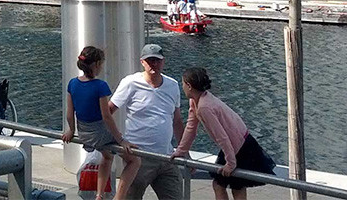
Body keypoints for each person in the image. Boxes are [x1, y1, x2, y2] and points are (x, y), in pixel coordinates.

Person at [172, 68, 276, 200]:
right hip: (236, 143)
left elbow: (222, 137)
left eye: (182, 84)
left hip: (240, 146)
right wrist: (181, 150)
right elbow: (191, 127)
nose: (182, 87)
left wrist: (230, 163)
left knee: (232, 186)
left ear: (189, 86)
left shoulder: (204, 107)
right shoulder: (197, 100)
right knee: (226, 185)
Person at [64, 46, 141, 200]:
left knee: (107, 157)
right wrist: (121, 140)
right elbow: (106, 117)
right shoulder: (100, 86)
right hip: (99, 134)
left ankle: (99, 195)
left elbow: (70, 113)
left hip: (84, 132)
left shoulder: (72, 83)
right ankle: (117, 196)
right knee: (135, 159)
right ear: (97, 64)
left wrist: (71, 131)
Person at [109, 44, 185, 200]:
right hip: (139, 157)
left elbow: (177, 121)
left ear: (163, 62)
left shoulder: (172, 85)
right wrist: (119, 140)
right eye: (150, 61)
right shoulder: (130, 82)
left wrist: (185, 151)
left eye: (157, 60)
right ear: (142, 62)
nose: (154, 64)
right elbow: (108, 112)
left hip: (166, 157)